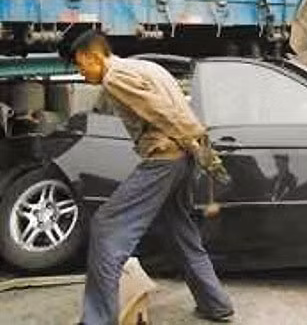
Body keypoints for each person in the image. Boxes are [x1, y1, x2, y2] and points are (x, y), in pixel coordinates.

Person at [69, 31, 234, 324]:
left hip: (165, 158)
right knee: (180, 230)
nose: (82, 75)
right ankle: (216, 304)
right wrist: (199, 150)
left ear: (92, 57)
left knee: (106, 227)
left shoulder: (115, 77)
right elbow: (179, 104)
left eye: (81, 67)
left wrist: (199, 139)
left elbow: (164, 112)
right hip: (183, 159)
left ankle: (97, 320)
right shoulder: (147, 67)